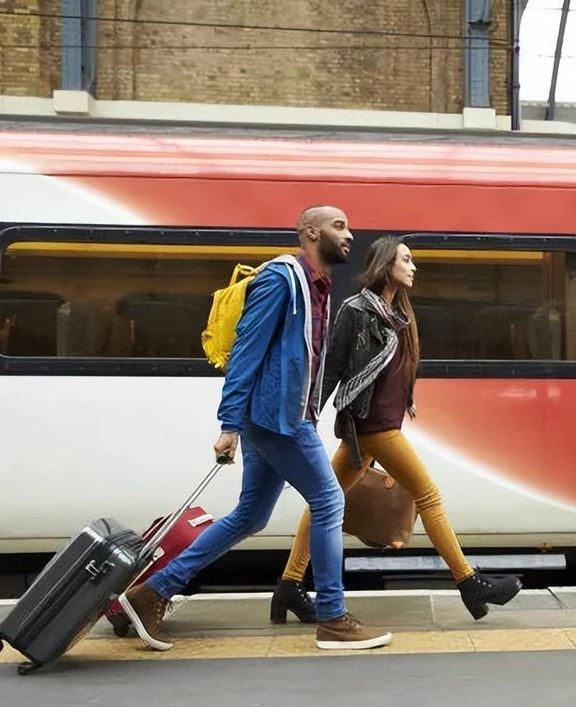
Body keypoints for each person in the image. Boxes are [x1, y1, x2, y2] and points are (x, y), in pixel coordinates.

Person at [120, 206, 392, 651]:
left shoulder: (317, 286)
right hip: (276, 418)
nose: (349, 234)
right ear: (310, 232)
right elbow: (247, 349)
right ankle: (333, 617)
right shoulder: (281, 279)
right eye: (338, 226)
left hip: (282, 416)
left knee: (251, 515)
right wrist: (229, 423)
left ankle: (153, 592)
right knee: (328, 501)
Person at [271, 236, 522, 623]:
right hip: (372, 427)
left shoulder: (397, 312)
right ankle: (469, 582)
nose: (413, 266)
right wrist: (305, 421)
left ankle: (288, 585)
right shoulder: (355, 310)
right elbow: (333, 367)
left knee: (325, 502)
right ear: (386, 264)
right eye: (406, 260)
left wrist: (406, 398)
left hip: (378, 424)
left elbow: (397, 368)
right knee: (428, 496)